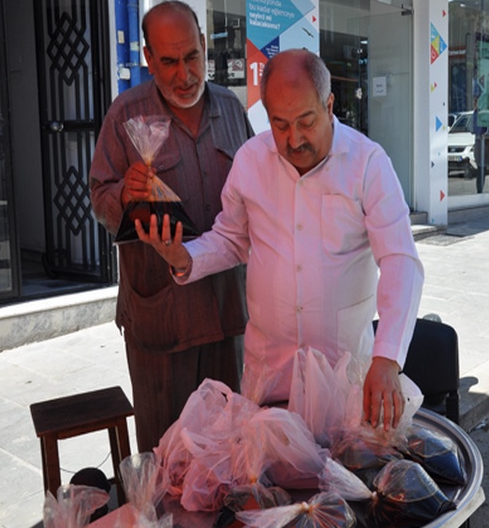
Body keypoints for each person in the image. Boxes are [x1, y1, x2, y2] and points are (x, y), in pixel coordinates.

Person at [135, 48, 424, 431]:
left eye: (306, 121)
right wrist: (185, 257)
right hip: (269, 378)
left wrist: (387, 358)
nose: (294, 139)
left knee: (346, 483)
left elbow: (401, 260)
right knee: (267, 485)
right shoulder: (251, 160)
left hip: (344, 376)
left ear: (330, 104)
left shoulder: (367, 163)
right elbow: (231, 238)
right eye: (280, 124)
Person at [89, 0, 254, 453]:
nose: (185, 75)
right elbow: (99, 199)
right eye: (169, 61)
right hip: (161, 318)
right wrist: (125, 192)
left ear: (204, 45)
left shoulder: (231, 109)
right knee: (168, 453)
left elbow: (261, 190)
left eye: (192, 57)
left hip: (227, 312)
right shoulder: (125, 116)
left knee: (230, 446)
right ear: (148, 59)